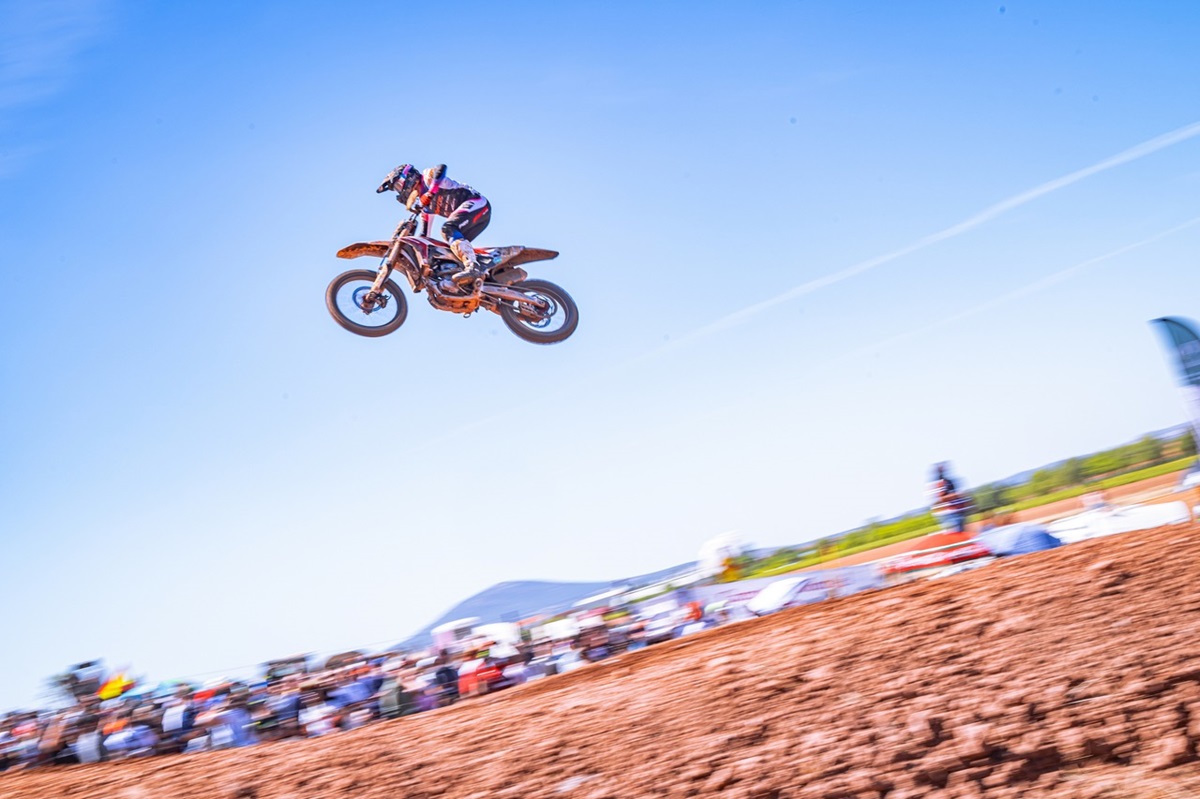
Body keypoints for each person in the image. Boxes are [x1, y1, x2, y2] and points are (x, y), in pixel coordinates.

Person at [378, 163, 492, 286]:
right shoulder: (425, 208)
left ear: (409, 176)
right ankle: (477, 275)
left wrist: (430, 192)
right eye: (396, 188)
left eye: (398, 185)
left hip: (477, 204)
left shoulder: (428, 177)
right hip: (475, 219)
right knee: (451, 249)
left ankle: (473, 267)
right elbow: (425, 236)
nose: (399, 190)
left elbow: (441, 168)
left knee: (447, 229)